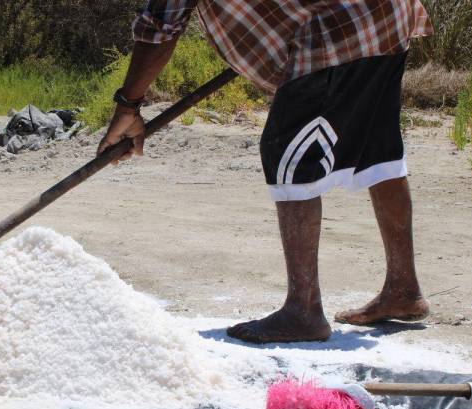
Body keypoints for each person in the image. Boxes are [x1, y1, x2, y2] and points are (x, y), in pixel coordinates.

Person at [97, 0, 433, 343]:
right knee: (378, 149)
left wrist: (128, 106)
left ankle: (303, 311)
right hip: (386, 15)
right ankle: (403, 289)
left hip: (334, 27)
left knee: (288, 153)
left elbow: (160, 27)